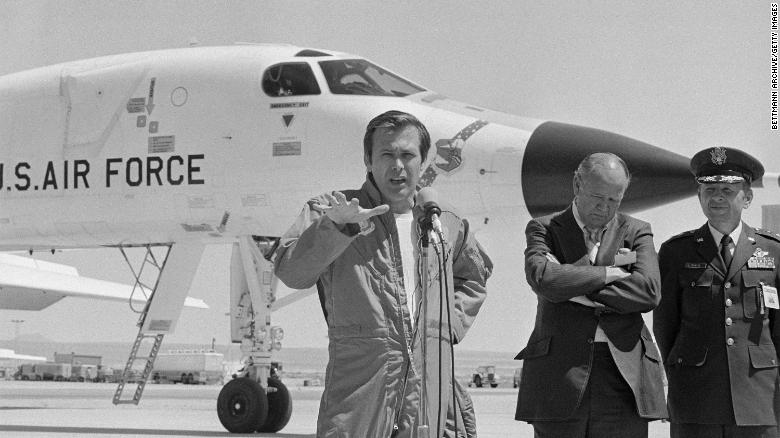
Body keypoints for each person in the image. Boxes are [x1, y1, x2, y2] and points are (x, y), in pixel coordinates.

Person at [274, 110, 492, 438]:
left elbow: (474, 276)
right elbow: (292, 271)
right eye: (387, 154)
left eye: (407, 155)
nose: (398, 165)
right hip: (360, 380)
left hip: (428, 378)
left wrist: (443, 328)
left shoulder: (444, 220)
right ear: (368, 160)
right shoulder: (334, 210)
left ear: (423, 160)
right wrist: (336, 227)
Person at [515, 152, 668, 437]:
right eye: (597, 197)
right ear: (577, 184)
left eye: (614, 200)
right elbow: (544, 279)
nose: (604, 207)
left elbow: (648, 292)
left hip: (623, 377)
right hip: (560, 375)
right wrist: (609, 274)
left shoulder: (636, 231)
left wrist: (570, 284)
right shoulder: (544, 229)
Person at [654, 147, 780, 438]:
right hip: (696, 398)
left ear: (747, 198)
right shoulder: (675, 252)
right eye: (709, 189)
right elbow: (665, 327)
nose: (717, 197)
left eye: (727, 189)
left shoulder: (773, 250)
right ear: (699, 196)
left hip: (759, 398)